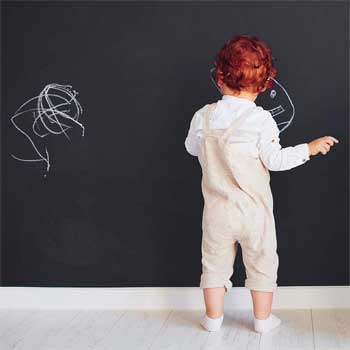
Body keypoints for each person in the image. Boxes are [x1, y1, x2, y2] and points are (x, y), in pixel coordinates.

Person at [184, 34, 339, 334]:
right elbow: (275, 160)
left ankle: (213, 319)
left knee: (214, 265)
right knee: (262, 264)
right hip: (254, 213)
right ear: (266, 83)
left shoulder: (203, 116)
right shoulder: (262, 120)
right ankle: (263, 320)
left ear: (219, 77)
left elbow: (192, 148)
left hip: (217, 212)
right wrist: (308, 148)